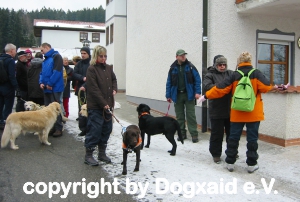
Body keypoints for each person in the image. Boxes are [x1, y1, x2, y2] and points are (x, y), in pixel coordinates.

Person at [199, 51, 279, 173]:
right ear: (250, 61)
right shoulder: (256, 73)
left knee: (233, 138)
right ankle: (251, 164)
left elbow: (220, 89)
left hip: (237, 113)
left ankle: (230, 162)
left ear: (239, 62)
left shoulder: (234, 75)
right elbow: (266, 87)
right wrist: (276, 86)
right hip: (253, 113)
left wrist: (206, 96)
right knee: (252, 139)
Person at [84, 45, 117, 166]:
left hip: (108, 106)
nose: (104, 58)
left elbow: (114, 79)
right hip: (96, 107)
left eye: (105, 56)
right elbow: (93, 89)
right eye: (101, 56)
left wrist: (114, 89)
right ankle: (89, 155)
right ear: (96, 56)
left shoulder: (108, 68)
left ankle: (101, 153)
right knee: (95, 130)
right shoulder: (91, 69)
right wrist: (104, 104)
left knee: (106, 130)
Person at [165, 49, 201, 143]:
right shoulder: (172, 68)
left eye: (184, 55)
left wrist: (197, 92)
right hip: (177, 95)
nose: (183, 57)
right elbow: (169, 82)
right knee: (179, 116)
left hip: (189, 95)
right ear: (176, 56)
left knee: (191, 115)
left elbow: (197, 80)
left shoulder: (190, 67)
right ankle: (182, 134)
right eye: (181, 55)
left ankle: (194, 134)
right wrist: (168, 95)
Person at [203, 55, 233, 164]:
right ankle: (216, 154)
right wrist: (224, 86)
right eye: (220, 65)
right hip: (216, 110)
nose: (222, 66)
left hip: (230, 110)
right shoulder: (209, 75)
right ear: (216, 65)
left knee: (232, 134)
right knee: (217, 134)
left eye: (224, 64)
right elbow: (207, 87)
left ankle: (231, 152)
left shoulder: (230, 73)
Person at [39, 42, 64, 137]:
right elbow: (42, 73)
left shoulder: (56, 57)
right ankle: (52, 127)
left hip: (55, 88)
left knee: (56, 109)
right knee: (48, 109)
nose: (41, 52)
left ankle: (58, 128)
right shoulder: (45, 60)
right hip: (46, 88)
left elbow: (57, 72)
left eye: (42, 50)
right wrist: (41, 82)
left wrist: (50, 83)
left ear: (46, 47)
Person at [0, 43, 18, 130]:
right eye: (15, 50)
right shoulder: (10, 61)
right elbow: (12, 75)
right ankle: (6, 122)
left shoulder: (1, 58)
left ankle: (0, 121)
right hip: (8, 87)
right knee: (8, 106)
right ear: (11, 51)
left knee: (0, 104)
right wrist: (15, 86)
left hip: (0, 85)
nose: (15, 52)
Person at [72, 47, 90, 120]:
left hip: (90, 89)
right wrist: (82, 78)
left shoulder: (92, 63)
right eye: (81, 53)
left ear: (88, 54)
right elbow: (74, 74)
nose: (83, 55)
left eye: (84, 53)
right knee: (81, 107)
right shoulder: (79, 64)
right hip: (81, 88)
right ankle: (82, 127)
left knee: (89, 108)